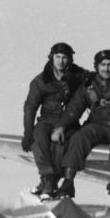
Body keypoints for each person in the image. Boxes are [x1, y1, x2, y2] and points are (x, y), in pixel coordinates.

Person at [59, 49, 110, 199]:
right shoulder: (89, 86)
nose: (106, 69)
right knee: (80, 137)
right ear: (96, 66)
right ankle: (68, 181)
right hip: (98, 125)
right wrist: (61, 127)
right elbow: (73, 109)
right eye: (102, 65)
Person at [22, 42, 89, 199]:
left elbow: (98, 76)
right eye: (57, 57)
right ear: (51, 58)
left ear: (70, 59)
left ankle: (49, 183)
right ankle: (48, 178)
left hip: (69, 121)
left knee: (63, 143)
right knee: (39, 138)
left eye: (64, 57)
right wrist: (28, 132)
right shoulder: (40, 80)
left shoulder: (79, 76)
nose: (61, 61)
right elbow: (30, 107)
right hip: (47, 119)